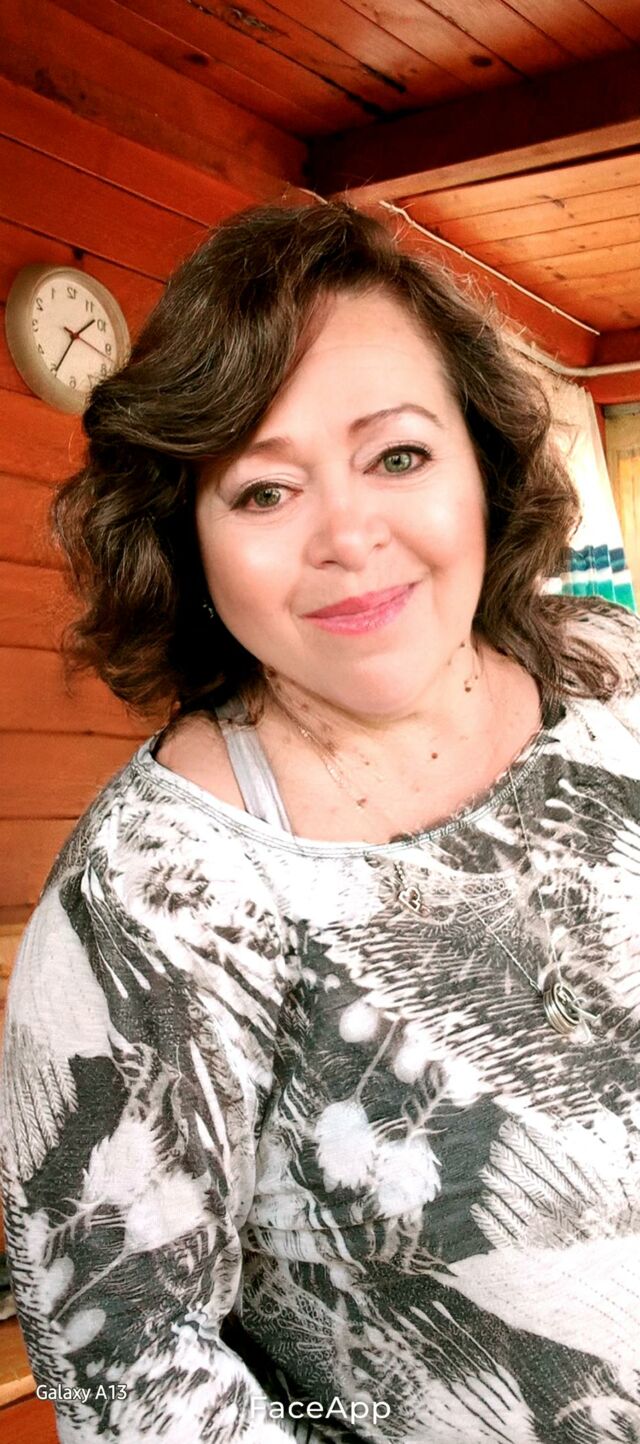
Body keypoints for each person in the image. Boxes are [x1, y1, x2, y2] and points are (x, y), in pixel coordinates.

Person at [1, 199, 639, 1444]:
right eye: (264, 489)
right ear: (187, 540)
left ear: (480, 464)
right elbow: (131, 1367)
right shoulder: (151, 891)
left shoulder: (611, 668)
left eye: (396, 456)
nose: (349, 536)